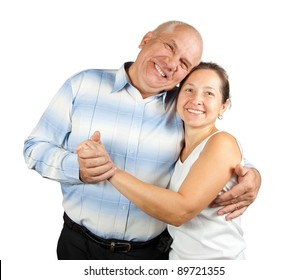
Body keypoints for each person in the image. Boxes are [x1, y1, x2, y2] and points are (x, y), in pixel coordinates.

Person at [23, 21, 261, 260]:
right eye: (169, 47)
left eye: (184, 64)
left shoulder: (184, 106)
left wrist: (251, 174)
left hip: (150, 254)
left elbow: (215, 152)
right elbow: (35, 147)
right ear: (146, 39)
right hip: (78, 245)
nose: (170, 64)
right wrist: (77, 167)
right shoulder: (83, 85)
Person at [78, 62, 248, 259]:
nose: (196, 99)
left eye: (209, 93)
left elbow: (180, 212)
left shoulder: (222, 143)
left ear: (223, 106)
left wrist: (109, 170)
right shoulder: (180, 145)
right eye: (189, 90)